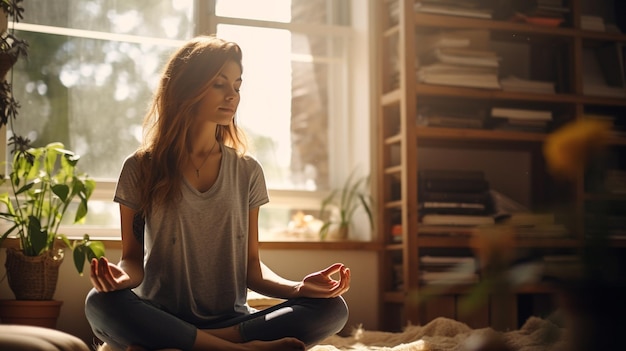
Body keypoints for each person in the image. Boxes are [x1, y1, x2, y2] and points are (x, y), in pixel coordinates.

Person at [85, 35, 350, 351]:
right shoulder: (141, 167)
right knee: (99, 303)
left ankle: (197, 343)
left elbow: (252, 268)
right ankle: (238, 349)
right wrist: (117, 280)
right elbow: (132, 261)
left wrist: (298, 289)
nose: (232, 96)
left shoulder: (247, 171)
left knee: (333, 309)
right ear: (188, 87)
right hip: (160, 314)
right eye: (219, 84)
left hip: (231, 321)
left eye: (237, 86)